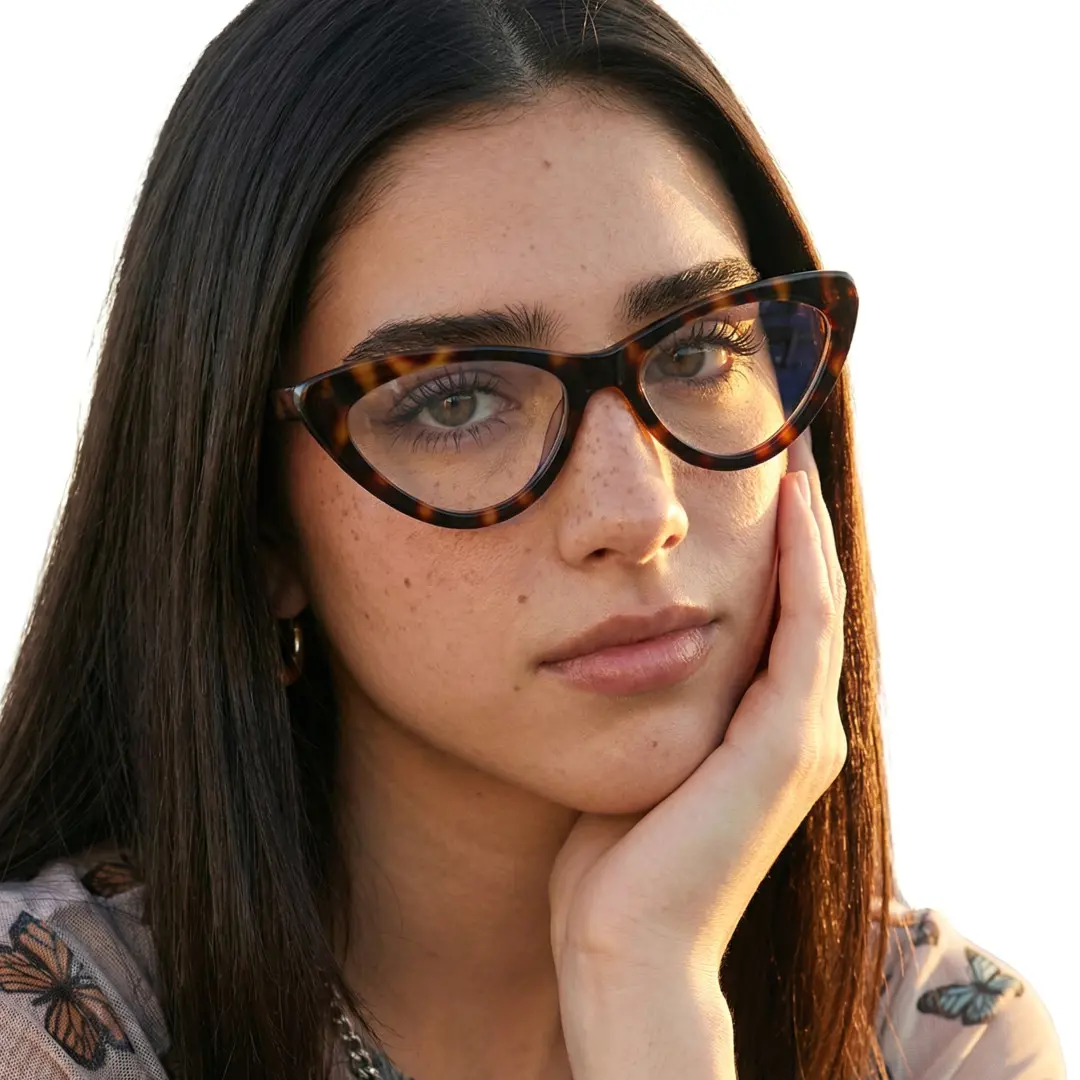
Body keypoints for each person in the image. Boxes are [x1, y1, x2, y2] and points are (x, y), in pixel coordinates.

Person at [0, 0, 1065, 1078]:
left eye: (699, 352)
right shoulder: (49, 1021)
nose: (637, 513)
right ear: (257, 522)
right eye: (457, 403)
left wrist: (644, 981)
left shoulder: (935, 1038)